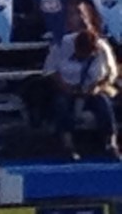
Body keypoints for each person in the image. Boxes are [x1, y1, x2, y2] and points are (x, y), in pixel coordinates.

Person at [47, 25, 120, 160]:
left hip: (93, 88)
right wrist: (65, 86)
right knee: (61, 104)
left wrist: (98, 87)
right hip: (66, 87)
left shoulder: (103, 49)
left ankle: (111, 142)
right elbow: (50, 70)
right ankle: (67, 144)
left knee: (104, 104)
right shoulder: (61, 45)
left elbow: (111, 73)